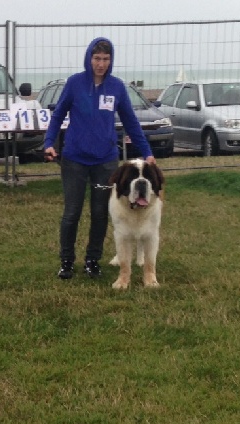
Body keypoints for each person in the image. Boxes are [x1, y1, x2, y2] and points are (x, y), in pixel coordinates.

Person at [43, 37, 156, 280]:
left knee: (99, 212)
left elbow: (130, 122)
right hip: (74, 159)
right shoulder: (74, 84)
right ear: (89, 58)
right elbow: (58, 114)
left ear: (111, 61)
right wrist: (49, 142)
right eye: (97, 59)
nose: (101, 64)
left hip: (105, 161)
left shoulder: (116, 87)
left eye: (105, 59)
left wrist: (147, 152)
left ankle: (92, 261)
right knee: (72, 212)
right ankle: (66, 262)